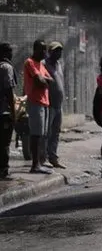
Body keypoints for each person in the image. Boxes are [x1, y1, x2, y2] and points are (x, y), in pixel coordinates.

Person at [23, 39, 53, 174]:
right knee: (36, 134)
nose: (44, 52)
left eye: (45, 49)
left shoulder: (41, 65)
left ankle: (40, 163)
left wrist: (44, 80)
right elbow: (39, 81)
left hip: (44, 102)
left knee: (42, 134)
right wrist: (43, 80)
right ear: (35, 49)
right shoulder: (30, 62)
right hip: (35, 101)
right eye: (42, 49)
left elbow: (50, 80)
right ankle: (35, 165)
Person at [43, 41, 66, 169]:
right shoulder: (44, 64)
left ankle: (53, 157)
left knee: (56, 132)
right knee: (47, 132)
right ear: (49, 52)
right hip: (49, 104)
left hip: (59, 105)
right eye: (56, 50)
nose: (59, 53)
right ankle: (44, 158)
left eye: (60, 50)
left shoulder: (59, 64)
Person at [0, 43, 15, 180]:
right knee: (5, 143)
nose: (12, 54)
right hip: (4, 113)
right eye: (10, 51)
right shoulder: (6, 67)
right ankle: (4, 171)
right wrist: (14, 112)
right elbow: (9, 91)